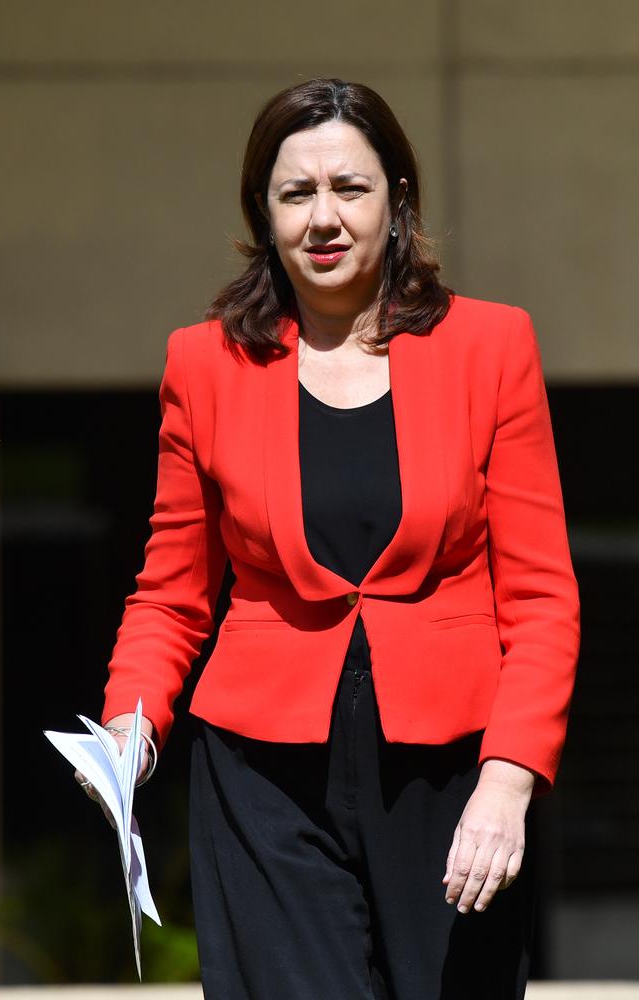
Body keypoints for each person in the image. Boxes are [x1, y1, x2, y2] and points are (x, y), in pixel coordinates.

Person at [75, 77, 581, 999]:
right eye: (295, 193)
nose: (324, 216)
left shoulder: (492, 347)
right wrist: (130, 723)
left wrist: (508, 782)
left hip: (451, 777)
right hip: (262, 775)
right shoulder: (204, 363)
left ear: (398, 202)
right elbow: (172, 589)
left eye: (350, 188)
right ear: (263, 216)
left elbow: (543, 598)